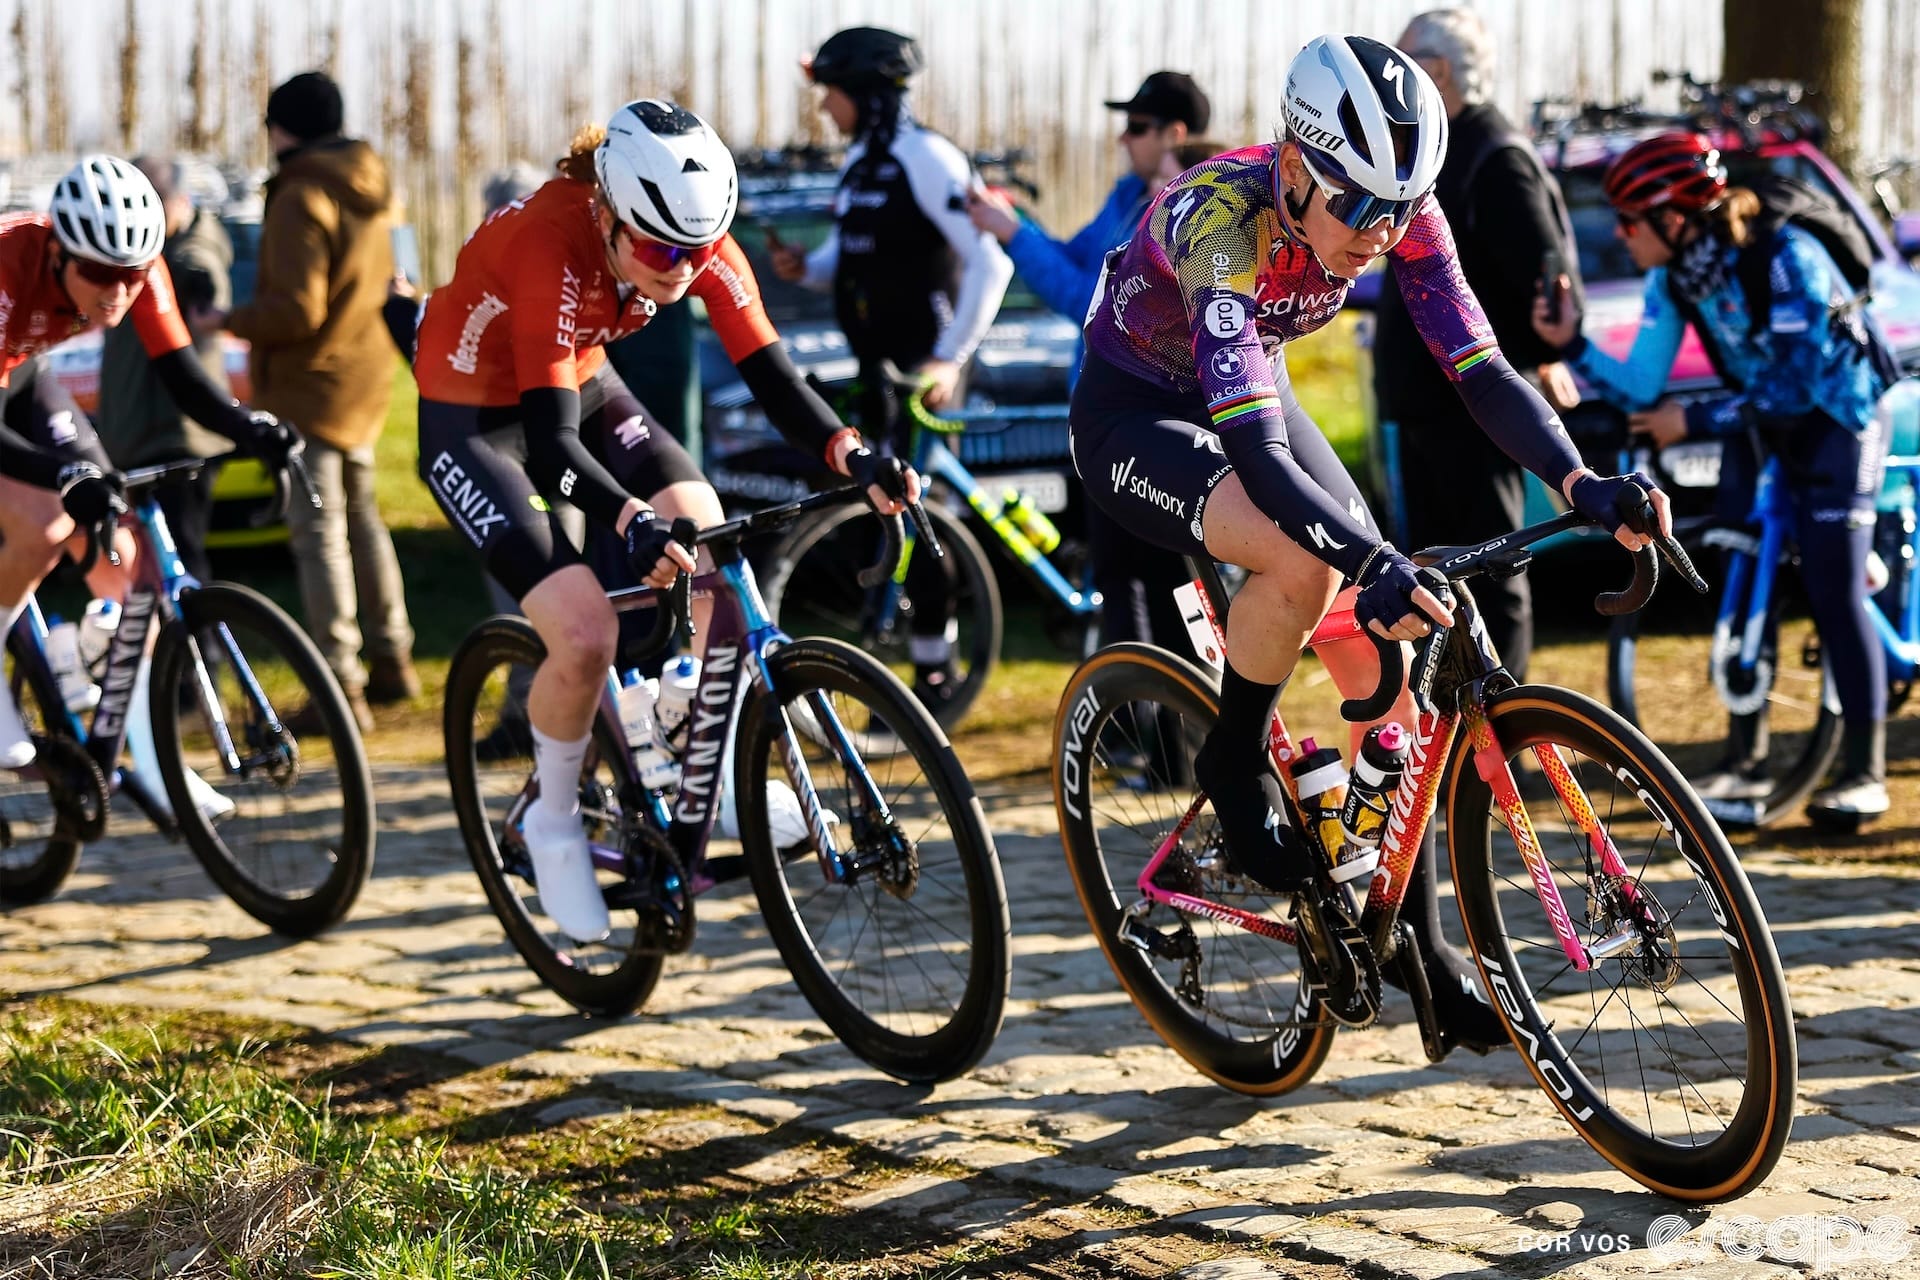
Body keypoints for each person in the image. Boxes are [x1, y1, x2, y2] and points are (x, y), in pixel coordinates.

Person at [1070, 35, 1668, 1050]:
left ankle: (1418, 950)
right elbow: (1260, 460)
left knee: (1389, 681)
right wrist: (1370, 558)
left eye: (1401, 211)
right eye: (1359, 209)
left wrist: (1582, 478)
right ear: (1297, 169)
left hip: (1248, 380)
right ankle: (1231, 753)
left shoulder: (1397, 207)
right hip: (1137, 414)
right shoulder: (1222, 224)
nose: (1382, 233)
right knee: (1307, 557)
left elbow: (1481, 369)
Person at [412, 100, 916, 943]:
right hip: (475, 417)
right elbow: (552, 449)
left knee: (704, 526)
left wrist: (851, 456)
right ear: (607, 213)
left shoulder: (690, 238)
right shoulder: (550, 245)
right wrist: (627, 517)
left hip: (582, 382)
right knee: (582, 633)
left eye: (697, 250)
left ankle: (699, 757)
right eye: (656, 250)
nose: (679, 270)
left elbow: (775, 375)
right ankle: (555, 816)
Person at [1532, 132, 1894, 823]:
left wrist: (1692, 424)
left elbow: (1796, 382)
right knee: (1742, 564)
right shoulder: (1676, 278)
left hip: (1839, 418)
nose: (1620, 233)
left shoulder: (1784, 256)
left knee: (1831, 584)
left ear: (1676, 217)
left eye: (1631, 220)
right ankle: (1744, 763)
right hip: (1765, 424)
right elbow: (1643, 385)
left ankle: (1865, 772)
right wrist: (1571, 344)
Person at [0, 156, 301, 800]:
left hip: (21, 378)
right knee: (45, 520)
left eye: (131, 278)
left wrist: (250, 427)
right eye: (100, 276)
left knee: (129, 558)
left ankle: (151, 753)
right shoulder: (8, 265)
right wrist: (64, 474)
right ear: (56, 251)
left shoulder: (139, 262)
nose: (116, 292)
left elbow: (182, 372)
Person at [769, 26, 1013, 710]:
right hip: (876, 369)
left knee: (925, 513)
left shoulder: (928, 157)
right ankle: (906, 658)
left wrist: (949, 356)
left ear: (866, 94)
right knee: (886, 512)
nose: (825, 109)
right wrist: (807, 268)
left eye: (833, 94)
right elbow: (859, 257)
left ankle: (937, 674)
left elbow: (992, 261)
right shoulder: (858, 164)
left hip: (925, 369)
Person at [1375, 7, 1585, 682]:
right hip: (1429, 410)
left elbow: (1548, 291)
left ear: (1435, 71)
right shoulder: (1440, 147)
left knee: (1493, 575)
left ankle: (1509, 740)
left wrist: (1545, 349)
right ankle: (1460, 745)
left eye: (1402, 63)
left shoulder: (1495, 157)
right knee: (1437, 579)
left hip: (1476, 410)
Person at [966, 71, 1207, 658]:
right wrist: (1017, 223)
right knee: (1119, 578)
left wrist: (1013, 235)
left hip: (1162, 425)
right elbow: (1074, 260)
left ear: (1175, 134)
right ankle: (1132, 727)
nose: (1124, 139)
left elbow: (1091, 303)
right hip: (1105, 422)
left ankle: (1201, 721)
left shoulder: (1193, 211)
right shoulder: (1128, 197)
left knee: (1174, 586)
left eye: (1137, 127)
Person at [221, 71, 416, 733]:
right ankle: (393, 662)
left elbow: (295, 309)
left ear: (286, 128)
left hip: (309, 384)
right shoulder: (378, 186)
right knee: (363, 522)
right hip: (364, 378)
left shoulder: (301, 191)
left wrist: (228, 318)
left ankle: (341, 688)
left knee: (318, 536)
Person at [95, 156, 234, 588]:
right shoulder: (137, 247)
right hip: (139, 433)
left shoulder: (191, 246)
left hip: (178, 437)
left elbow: (202, 266)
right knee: (147, 566)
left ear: (181, 201)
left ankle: (204, 650)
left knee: (183, 563)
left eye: (155, 204)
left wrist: (198, 283)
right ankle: (167, 650)